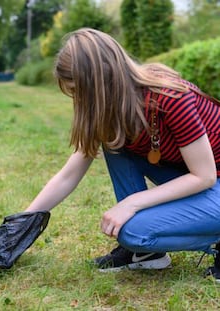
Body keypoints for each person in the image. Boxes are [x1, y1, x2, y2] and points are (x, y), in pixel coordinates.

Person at [24, 28, 220, 280]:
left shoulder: (170, 97)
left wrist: (131, 203)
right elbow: (70, 172)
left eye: (79, 92)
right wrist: (25, 220)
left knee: (133, 233)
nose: (78, 101)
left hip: (207, 177)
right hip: (199, 178)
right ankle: (146, 256)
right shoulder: (115, 112)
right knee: (114, 142)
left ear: (100, 84)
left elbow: (204, 177)